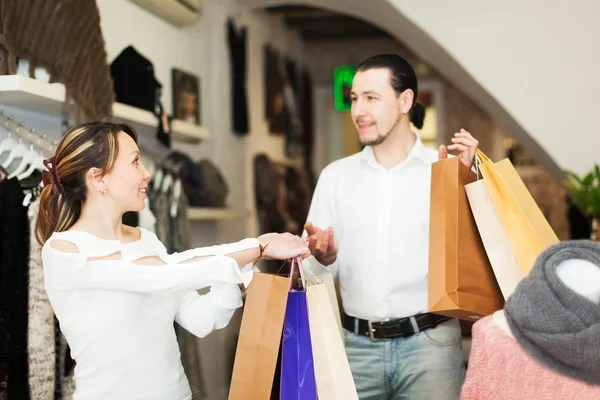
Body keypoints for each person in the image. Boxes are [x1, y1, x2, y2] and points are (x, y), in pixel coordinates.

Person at [36, 121, 310, 400]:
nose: (147, 173)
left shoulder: (146, 240)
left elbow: (199, 319)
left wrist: (242, 279)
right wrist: (258, 247)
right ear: (98, 178)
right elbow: (166, 273)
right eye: (135, 162)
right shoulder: (65, 251)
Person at [304, 54, 479, 400]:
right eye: (355, 99)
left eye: (371, 98)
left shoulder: (442, 169)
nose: (357, 111)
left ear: (405, 100)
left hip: (431, 349)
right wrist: (321, 258)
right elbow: (307, 272)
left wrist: (470, 183)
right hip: (354, 350)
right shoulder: (335, 177)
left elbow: (477, 260)